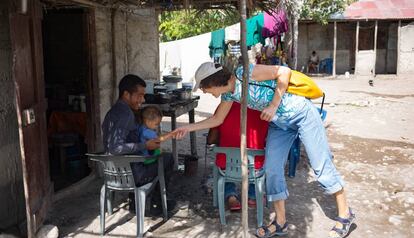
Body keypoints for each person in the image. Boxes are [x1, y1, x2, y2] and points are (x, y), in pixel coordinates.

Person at [173, 62, 354, 238]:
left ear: (212, 81)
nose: (204, 91)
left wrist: (274, 104)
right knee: (271, 169)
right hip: (279, 124)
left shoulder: (244, 73)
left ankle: (345, 214)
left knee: (319, 165)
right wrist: (187, 128)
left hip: (301, 114)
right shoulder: (228, 96)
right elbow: (217, 120)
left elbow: (283, 71)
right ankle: (280, 222)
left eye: (204, 87)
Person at [101, 74, 175, 215]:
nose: (143, 99)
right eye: (139, 95)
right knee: (168, 158)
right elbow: (115, 147)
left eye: (144, 96)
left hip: (112, 174)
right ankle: (157, 203)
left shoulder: (111, 112)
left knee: (146, 157)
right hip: (132, 175)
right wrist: (145, 146)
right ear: (126, 94)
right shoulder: (127, 115)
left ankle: (135, 202)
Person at [207, 102, 268, 211]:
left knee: (224, 157)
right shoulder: (263, 109)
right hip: (254, 167)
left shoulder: (224, 107)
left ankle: (231, 197)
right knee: (263, 159)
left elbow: (211, 139)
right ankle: (253, 196)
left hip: (228, 166)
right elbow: (267, 140)